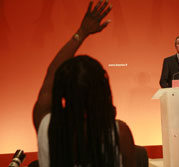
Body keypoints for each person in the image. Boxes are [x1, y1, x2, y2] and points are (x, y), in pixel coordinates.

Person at [33, 0, 136, 167]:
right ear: (102, 90)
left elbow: (52, 72)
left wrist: (81, 33)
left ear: (62, 89)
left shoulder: (46, 126)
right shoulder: (119, 133)